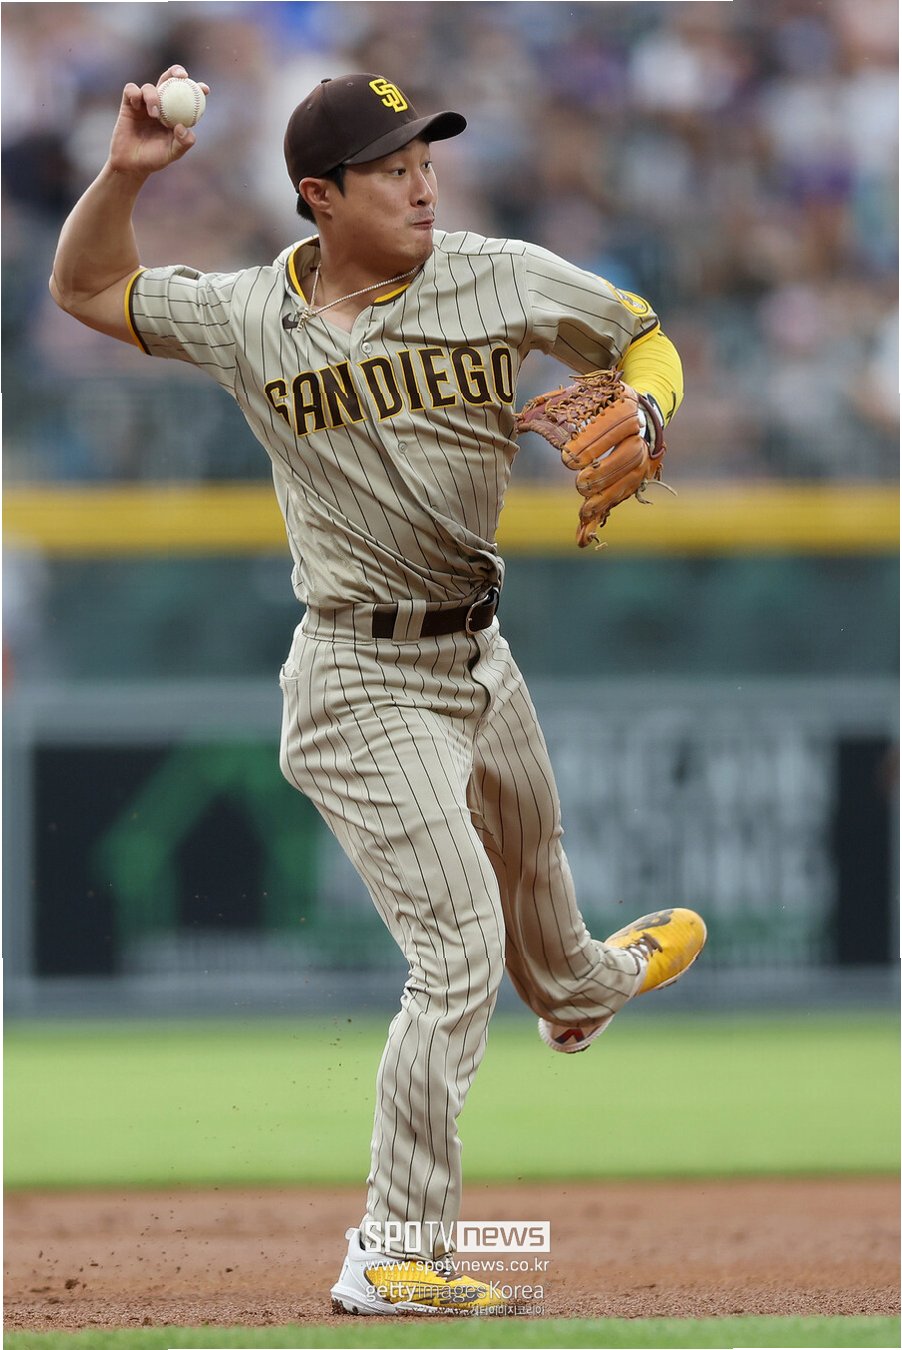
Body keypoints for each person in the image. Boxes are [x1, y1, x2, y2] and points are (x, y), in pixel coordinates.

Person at [51, 67, 707, 1316]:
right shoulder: (250, 314)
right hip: (356, 673)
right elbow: (84, 288)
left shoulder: (496, 275)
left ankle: (587, 989)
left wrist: (649, 408)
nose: (422, 184)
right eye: (392, 168)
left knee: (547, 942)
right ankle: (394, 1252)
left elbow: (639, 331)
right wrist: (125, 175)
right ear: (320, 195)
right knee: (458, 943)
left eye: (426, 160)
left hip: (478, 655)